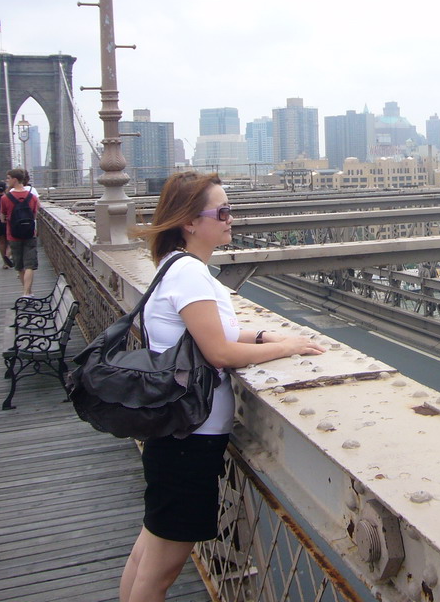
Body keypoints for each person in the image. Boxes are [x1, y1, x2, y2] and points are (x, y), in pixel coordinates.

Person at [119, 171, 326, 602]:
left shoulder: (178, 268)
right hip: (187, 441)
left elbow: (213, 335)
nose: (233, 219)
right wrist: (284, 349)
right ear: (191, 222)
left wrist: (267, 338)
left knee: (147, 553)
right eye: (224, 211)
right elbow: (219, 353)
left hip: (176, 434)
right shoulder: (189, 275)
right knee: (159, 570)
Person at [0, 168, 38, 295]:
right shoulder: (32, 197)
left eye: (8, 178)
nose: (7, 181)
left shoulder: (5, 198)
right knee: (30, 265)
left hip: (13, 235)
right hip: (30, 234)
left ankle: (27, 292)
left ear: (15, 180)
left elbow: (2, 217)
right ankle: (27, 293)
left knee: (20, 266)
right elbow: (34, 215)